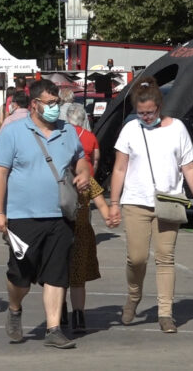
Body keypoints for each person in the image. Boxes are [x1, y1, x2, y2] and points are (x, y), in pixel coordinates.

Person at [0, 79, 91, 349]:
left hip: (61, 216)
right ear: (34, 105)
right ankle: (14, 307)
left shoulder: (68, 131)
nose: (55, 108)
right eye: (49, 103)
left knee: (57, 274)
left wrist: (83, 172)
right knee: (20, 276)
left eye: (56, 103)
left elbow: (81, 158)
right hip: (22, 216)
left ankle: (54, 329)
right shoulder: (13, 132)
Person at [108, 76, 193, 333]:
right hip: (135, 202)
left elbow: (188, 166)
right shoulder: (130, 129)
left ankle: (166, 312)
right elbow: (120, 169)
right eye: (141, 113)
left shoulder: (177, 128)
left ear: (160, 106)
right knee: (137, 259)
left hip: (169, 202)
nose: (146, 117)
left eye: (150, 112)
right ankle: (133, 296)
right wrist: (113, 203)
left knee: (165, 258)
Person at [64, 103, 113, 332]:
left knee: (61, 276)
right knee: (76, 278)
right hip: (79, 231)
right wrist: (109, 216)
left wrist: (109, 215)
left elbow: (101, 203)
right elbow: (102, 204)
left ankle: (66, 312)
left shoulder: (62, 181)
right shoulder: (87, 181)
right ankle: (78, 315)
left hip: (64, 231)